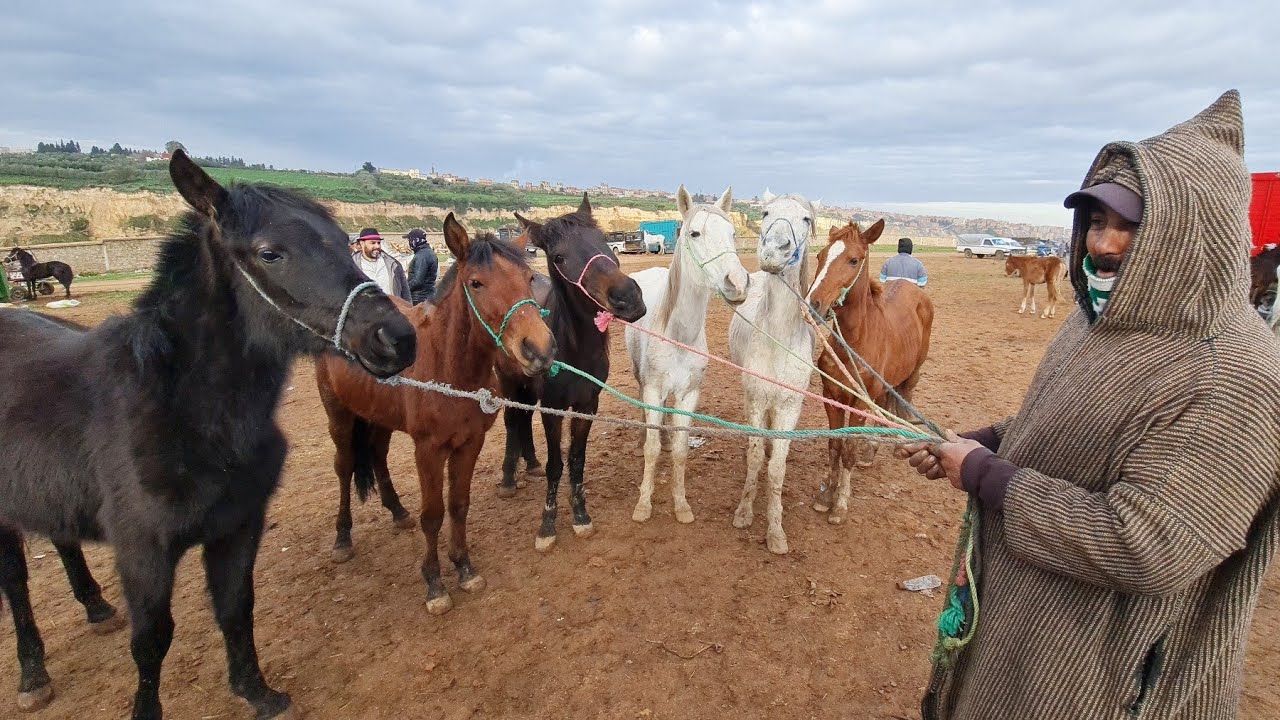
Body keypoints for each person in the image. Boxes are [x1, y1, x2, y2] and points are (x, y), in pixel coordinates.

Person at [897, 90, 1280, 720]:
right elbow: (1067, 423)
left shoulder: (1236, 378)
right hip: (1021, 626)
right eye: (1096, 222)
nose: (1103, 244)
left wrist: (986, 475)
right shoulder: (1100, 320)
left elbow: (1147, 543)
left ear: (1192, 235)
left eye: (1131, 225)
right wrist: (986, 440)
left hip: (1102, 678)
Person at [351, 227, 410, 302]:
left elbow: (405, 293)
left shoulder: (394, 265)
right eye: (373, 243)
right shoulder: (352, 265)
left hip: (392, 311)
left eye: (378, 243)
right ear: (362, 244)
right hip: (364, 311)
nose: (377, 246)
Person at [404, 228, 438, 304]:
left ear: (415, 240)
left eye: (410, 240)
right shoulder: (429, 252)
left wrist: (404, 289)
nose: (409, 243)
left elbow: (418, 280)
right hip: (428, 295)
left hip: (419, 298)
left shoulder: (421, 256)